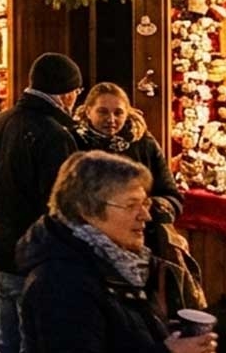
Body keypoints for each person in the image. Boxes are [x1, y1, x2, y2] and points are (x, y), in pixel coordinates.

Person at [18, 151, 218, 353]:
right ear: (87, 209)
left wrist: (164, 335)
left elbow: (119, 338)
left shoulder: (124, 263)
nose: (145, 216)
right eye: (131, 205)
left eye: (145, 203)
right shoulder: (61, 282)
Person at [0, 52, 83, 353]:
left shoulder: (0, 121)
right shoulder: (56, 136)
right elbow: (60, 203)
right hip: (32, 257)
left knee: (8, 346)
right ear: (67, 93)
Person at [72, 83, 183, 239]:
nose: (111, 119)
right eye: (103, 112)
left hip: (140, 236)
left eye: (118, 113)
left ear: (127, 113)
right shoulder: (73, 142)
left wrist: (153, 207)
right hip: (88, 238)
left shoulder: (143, 144)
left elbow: (172, 195)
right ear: (88, 111)